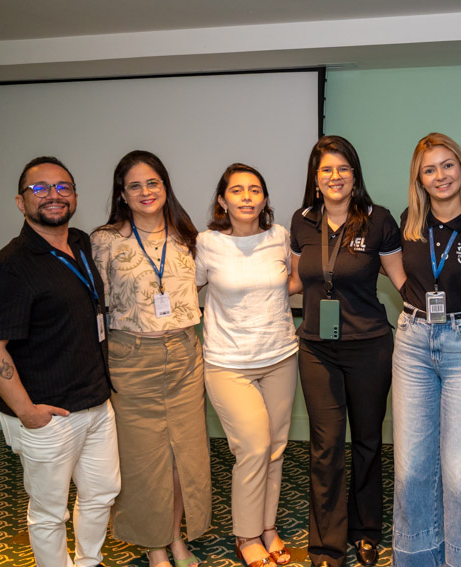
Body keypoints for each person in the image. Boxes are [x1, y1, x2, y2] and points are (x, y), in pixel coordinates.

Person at [0, 156, 120, 567]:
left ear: (75, 196)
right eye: (39, 188)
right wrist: (28, 412)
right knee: (49, 512)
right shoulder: (8, 268)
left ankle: (89, 561)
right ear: (20, 202)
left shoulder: (80, 243)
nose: (53, 195)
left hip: (97, 403)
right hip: (49, 414)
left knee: (102, 494)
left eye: (62, 187)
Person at [288, 135, 406, 567]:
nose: (335, 176)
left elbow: (401, 280)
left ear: (355, 175)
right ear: (315, 177)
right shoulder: (302, 221)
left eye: (343, 168)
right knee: (326, 447)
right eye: (326, 170)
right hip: (316, 349)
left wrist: (448, 303)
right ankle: (326, 545)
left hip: (369, 346)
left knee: (368, 441)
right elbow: (295, 281)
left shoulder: (378, 220)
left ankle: (366, 530)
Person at [91, 150, 210, 567]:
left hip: (185, 355)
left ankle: (175, 537)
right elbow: (95, 307)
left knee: (183, 458)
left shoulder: (187, 236)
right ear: (122, 194)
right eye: (135, 185)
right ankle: (155, 545)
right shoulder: (105, 240)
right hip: (131, 358)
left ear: (165, 187)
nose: (145, 191)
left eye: (153, 183)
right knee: (144, 461)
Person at [392, 132, 461, 566]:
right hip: (413, 344)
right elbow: (401, 274)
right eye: (429, 169)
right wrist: (414, 301)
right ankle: (417, 558)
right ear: (419, 178)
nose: (440, 176)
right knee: (411, 469)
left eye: (447, 165)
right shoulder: (409, 222)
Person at [195, 163, 298, 567]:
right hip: (227, 363)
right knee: (253, 447)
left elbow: (292, 282)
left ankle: (267, 528)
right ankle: (247, 535)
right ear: (222, 200)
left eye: (254, 190)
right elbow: (189, 289)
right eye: (237, 190)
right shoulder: (207, 243)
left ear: (265, 199)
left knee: (275, 449)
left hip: (279, 356)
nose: (246, 197)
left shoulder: (279, 237)